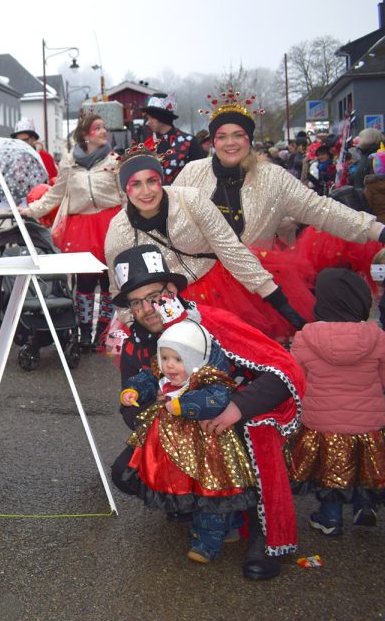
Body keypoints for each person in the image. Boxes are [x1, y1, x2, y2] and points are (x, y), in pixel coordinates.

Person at [107, 245, 304, 580]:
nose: (146, 309)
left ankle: (263, 535)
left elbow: (284, 372)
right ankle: (192, 502)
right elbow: (130, 407)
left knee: (256, 427)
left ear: (171, 292)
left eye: (153, 296)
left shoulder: (210, 323)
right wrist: (167, 424)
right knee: (125, 475)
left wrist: (236, 408)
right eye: (135, 302)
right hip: (176, 431)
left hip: (228, 428)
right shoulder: (134, 344)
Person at [174, 87, 385, 316]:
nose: (230, 143)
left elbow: (321, 209)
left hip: (256, 292)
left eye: (238, 135)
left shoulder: (273, 177)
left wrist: (376, 230)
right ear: (214, 141)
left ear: (249, 139)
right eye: (222, 136)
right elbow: (165, 215)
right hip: (199, 288)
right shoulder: (192, 173)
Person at [105, 147, 306, 338]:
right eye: (136, 184)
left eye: (152, 181)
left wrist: (276, 299)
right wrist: (136, 325)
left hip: (220, 290)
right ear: (125, 189)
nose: (146, 191)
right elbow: (119, 287)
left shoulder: (190, 200)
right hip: (164, 302)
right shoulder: (120, 230)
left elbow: (231, 249)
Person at [120, 317, 254, 564]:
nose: (170, 366)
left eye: (178, 359)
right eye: (166, 357)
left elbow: (216, 398)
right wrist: (134, 391)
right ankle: (226, 524)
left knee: (210, 490)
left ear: (195, 358)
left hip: (206, 445)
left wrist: (183, 405)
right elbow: (147, 379)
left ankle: (207, 543)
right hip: (173, 445)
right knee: (190, 487)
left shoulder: (209, 378)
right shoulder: (162, 372)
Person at [288, 268, 385, 535]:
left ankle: (330, 518)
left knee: (330, 471)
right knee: (363, 465)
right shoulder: (377, 336)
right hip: (367, 422)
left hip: (322, 423)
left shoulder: (306, 337)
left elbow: (298, 377)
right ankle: (364, 507)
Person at [23, 113, 122, 348]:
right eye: (98, 128)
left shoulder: (114, 160)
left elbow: (126, 194)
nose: (103, 131)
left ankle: (104, 331)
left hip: (111, 224)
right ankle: (85, 332)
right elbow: (56, 194)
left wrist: (133, 221)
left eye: (103, 127)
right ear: (86, 134)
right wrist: (31, 210)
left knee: (109, 283)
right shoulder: (70, 162)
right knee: (85, 282)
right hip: (82, 227)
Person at [141, 93, 205, 185]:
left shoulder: (189, 142)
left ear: (162, 117)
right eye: (148, 118)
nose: (148, 122)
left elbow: (200, 177)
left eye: (152, 118)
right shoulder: (148, 144)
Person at [12, 117, 57, 183]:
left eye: (25, 140)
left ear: (33, 139)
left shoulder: (45, 157)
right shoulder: (13, 159)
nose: (21, 144)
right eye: (18, 141)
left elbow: (54, 180)